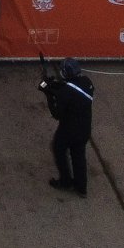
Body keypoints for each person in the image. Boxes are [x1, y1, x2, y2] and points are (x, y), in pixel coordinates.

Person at [40, 56, 94, 196]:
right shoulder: (87, 82)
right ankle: (81, 187)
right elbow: (72, 89)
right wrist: (55, 86)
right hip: (84, 128)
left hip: (68, 130)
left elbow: (57, 113)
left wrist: (48, 94)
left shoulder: (65, 92)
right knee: (78, 155)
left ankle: (65, 181)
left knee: (58, 150)